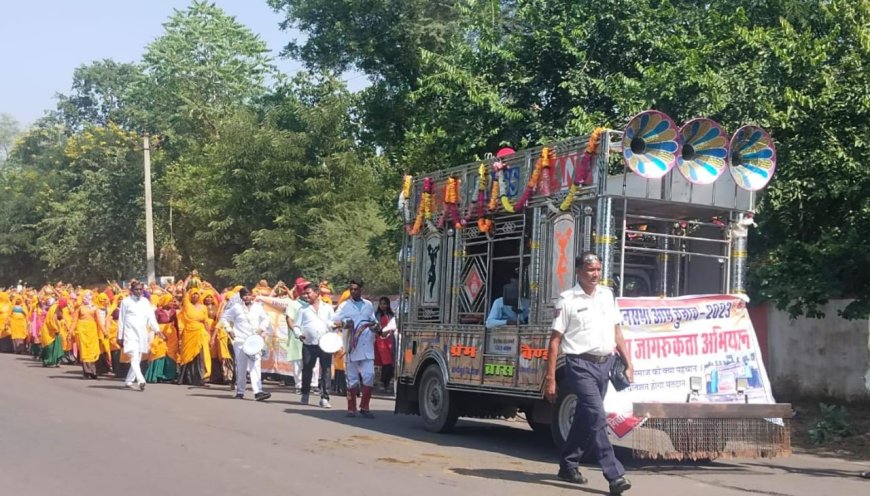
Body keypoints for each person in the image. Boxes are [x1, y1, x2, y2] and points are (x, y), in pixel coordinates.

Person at [545, 252, 633, 495]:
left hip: (605, 365)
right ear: (578, 272)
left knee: (585, 417)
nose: (595, 274)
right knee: (596, 414)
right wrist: (551, 378)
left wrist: (628, 362)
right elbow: (554, 342)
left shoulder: (607, 295)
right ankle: (614, 475)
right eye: (590, 270)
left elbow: (617, 331)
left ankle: (568, 465)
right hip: (580, 365)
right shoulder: (567, 300)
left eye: (598, 270)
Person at [334, 278, 380, 418]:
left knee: (369, 375)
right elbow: (333, 320)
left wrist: (376, 327)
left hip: (366, 345)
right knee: (352, 379)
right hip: (351, 346)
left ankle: (365, 407)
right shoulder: (345, 306)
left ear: (361, 290)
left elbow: (373, 320)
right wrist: (344, 323)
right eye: (351, 289)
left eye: (356, 289)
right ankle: (351, 408)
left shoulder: (368, 305)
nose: (353, 291)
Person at [219, 287, 271, 401]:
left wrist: (261, 328)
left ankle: (258, 392)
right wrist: (229, 329)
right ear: (241, 297)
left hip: (254, 341)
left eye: (248, 295)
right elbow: (224, 318)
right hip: (240, 341)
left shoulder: (258, 307)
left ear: (252, 295)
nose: (246, 297)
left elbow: (266, 319)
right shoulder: (236, 308)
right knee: (241, 367)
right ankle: (240, 391)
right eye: (244, 295)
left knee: (255, 365)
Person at [292, 282, 336, 408]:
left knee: (326, 369)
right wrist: (299, 334)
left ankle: (325, 397)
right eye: (304, 293)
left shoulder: (327, 308)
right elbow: (296, 325)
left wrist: (335, 327)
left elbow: (332, 323)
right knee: (307, 369)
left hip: (325, 344)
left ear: (317, 293)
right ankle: (305, 393)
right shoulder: (303, 310)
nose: (305, 296)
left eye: (308, 293)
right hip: (308, 344)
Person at [117, 282, 160, 391]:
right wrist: (120, 335)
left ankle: (129, 380)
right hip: (129, 333)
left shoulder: (145, 302)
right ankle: (141, 380)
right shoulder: (126, 302)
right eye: (136, 289)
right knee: (134, 357)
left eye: (141, 289)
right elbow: (121, 320)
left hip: (142, 334)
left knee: (138, 358)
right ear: (132, 290)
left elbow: (151, 317)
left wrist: (157, 329)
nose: (139, 291)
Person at [69, 290, 105, 379]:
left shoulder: (95, 308)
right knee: (84, 352)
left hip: (92, 331)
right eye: (85, 296)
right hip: (82, 332)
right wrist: (70, 332)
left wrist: (104, 331)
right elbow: (74, 321)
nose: (86, 298)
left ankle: (93, 371)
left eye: (88, 296)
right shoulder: (80, 308)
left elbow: (99, 321)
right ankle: (87, 372)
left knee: (93, 351)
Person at [374, 297, 397, 394]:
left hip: (390, 340)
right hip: (380, 341)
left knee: (391, 364)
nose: (383, 306)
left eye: (385, 304)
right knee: (386, 363)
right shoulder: (376, 315)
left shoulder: (391, 315)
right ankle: (383, 382)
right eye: (381, 304)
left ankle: (386, 382)